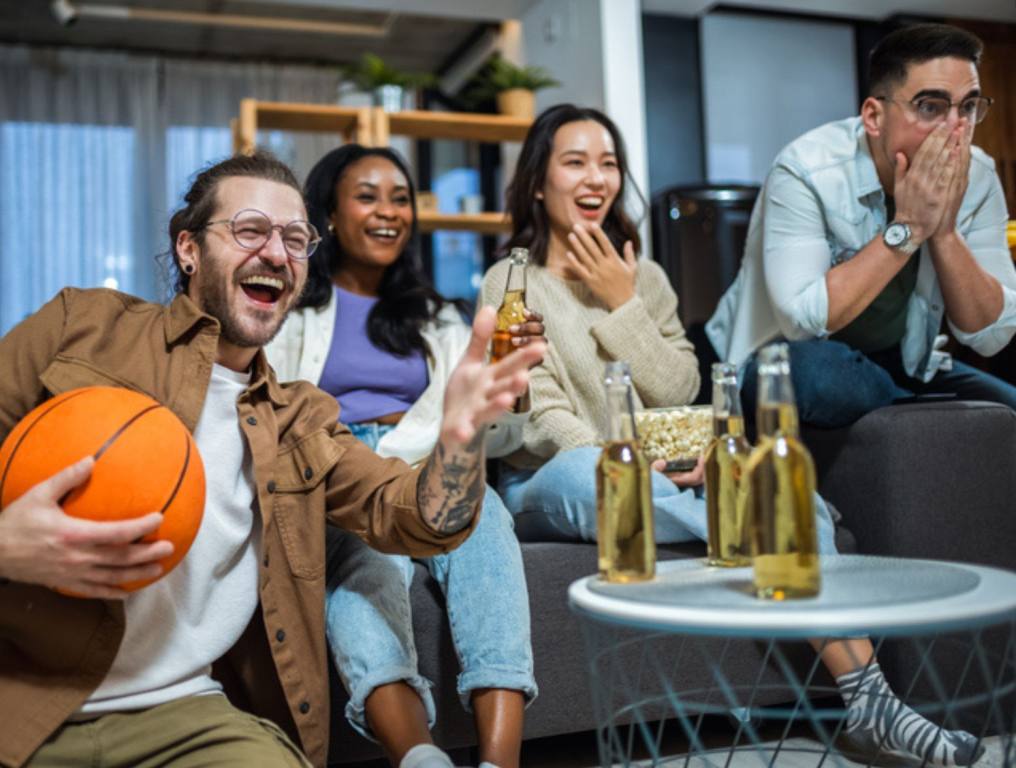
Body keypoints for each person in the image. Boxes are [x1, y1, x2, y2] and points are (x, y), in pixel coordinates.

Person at [0, 150, 544, 768]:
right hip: (20, 698)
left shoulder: (301, 419)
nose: (278, 253)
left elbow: (417, 519)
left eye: (294, 238)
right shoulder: (83, 326)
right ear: (188, 248)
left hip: (186, 718)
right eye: (250, 230)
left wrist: (462, 432)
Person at [482, 103, 984, 767]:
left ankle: (872, 706)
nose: (595, 178)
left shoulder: (644, 277)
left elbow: (678, 390)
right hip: (555, 477)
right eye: (574, 162)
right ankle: (757, 526)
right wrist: (633, 464)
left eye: (608, 163)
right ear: (539, 183)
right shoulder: (511, 280)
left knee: (771, 479)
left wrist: (622, 301)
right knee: (606, 476)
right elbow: (540, 418)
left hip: (661, 478)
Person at [265, 144, 542, 768]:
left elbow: (493, 441)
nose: (389, 212)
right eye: (368, 196)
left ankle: (502, 762)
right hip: (335, 468)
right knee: (365, 565)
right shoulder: (289, 310)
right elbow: (271, 417)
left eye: (400, 198)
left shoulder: (442, 319)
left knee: (486, 516)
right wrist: (364, 464)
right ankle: (420, 758)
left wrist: (508, 394)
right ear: (329, 215)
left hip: (429, 461)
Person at [707, 23, 1016, 428]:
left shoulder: (978, 175)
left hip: (904, 360)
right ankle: (913, 408)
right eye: (930, 106)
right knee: (818, 377)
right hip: (786, 355)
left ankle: (901, 403)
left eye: (968, 106)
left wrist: (943, 232)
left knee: (1008, 411)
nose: (955, 128)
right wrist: (908, 227)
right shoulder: (805, 169)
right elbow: (802, 320)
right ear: (874, 116)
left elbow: (991, 334)